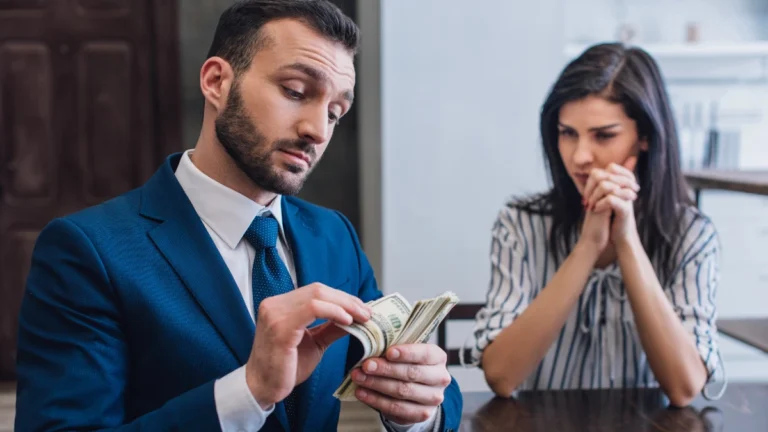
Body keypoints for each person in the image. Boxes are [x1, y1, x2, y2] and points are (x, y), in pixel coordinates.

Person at [14, 1, 462, 431]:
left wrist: (416, 407)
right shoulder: (87, 251)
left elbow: (417, 381)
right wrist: (248, 392)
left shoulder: (333, 235)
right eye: (295, 92)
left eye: (335, 112)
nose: (318, 130)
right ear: (216, 81)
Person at [466, 43, 724, 406]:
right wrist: (587, 247)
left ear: (646, 137)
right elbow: (502, 377)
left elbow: (684, 388)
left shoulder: (692, 235)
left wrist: (627, 241)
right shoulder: (520, 223)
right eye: (567, 133)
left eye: (603, 135)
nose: (580, 156)